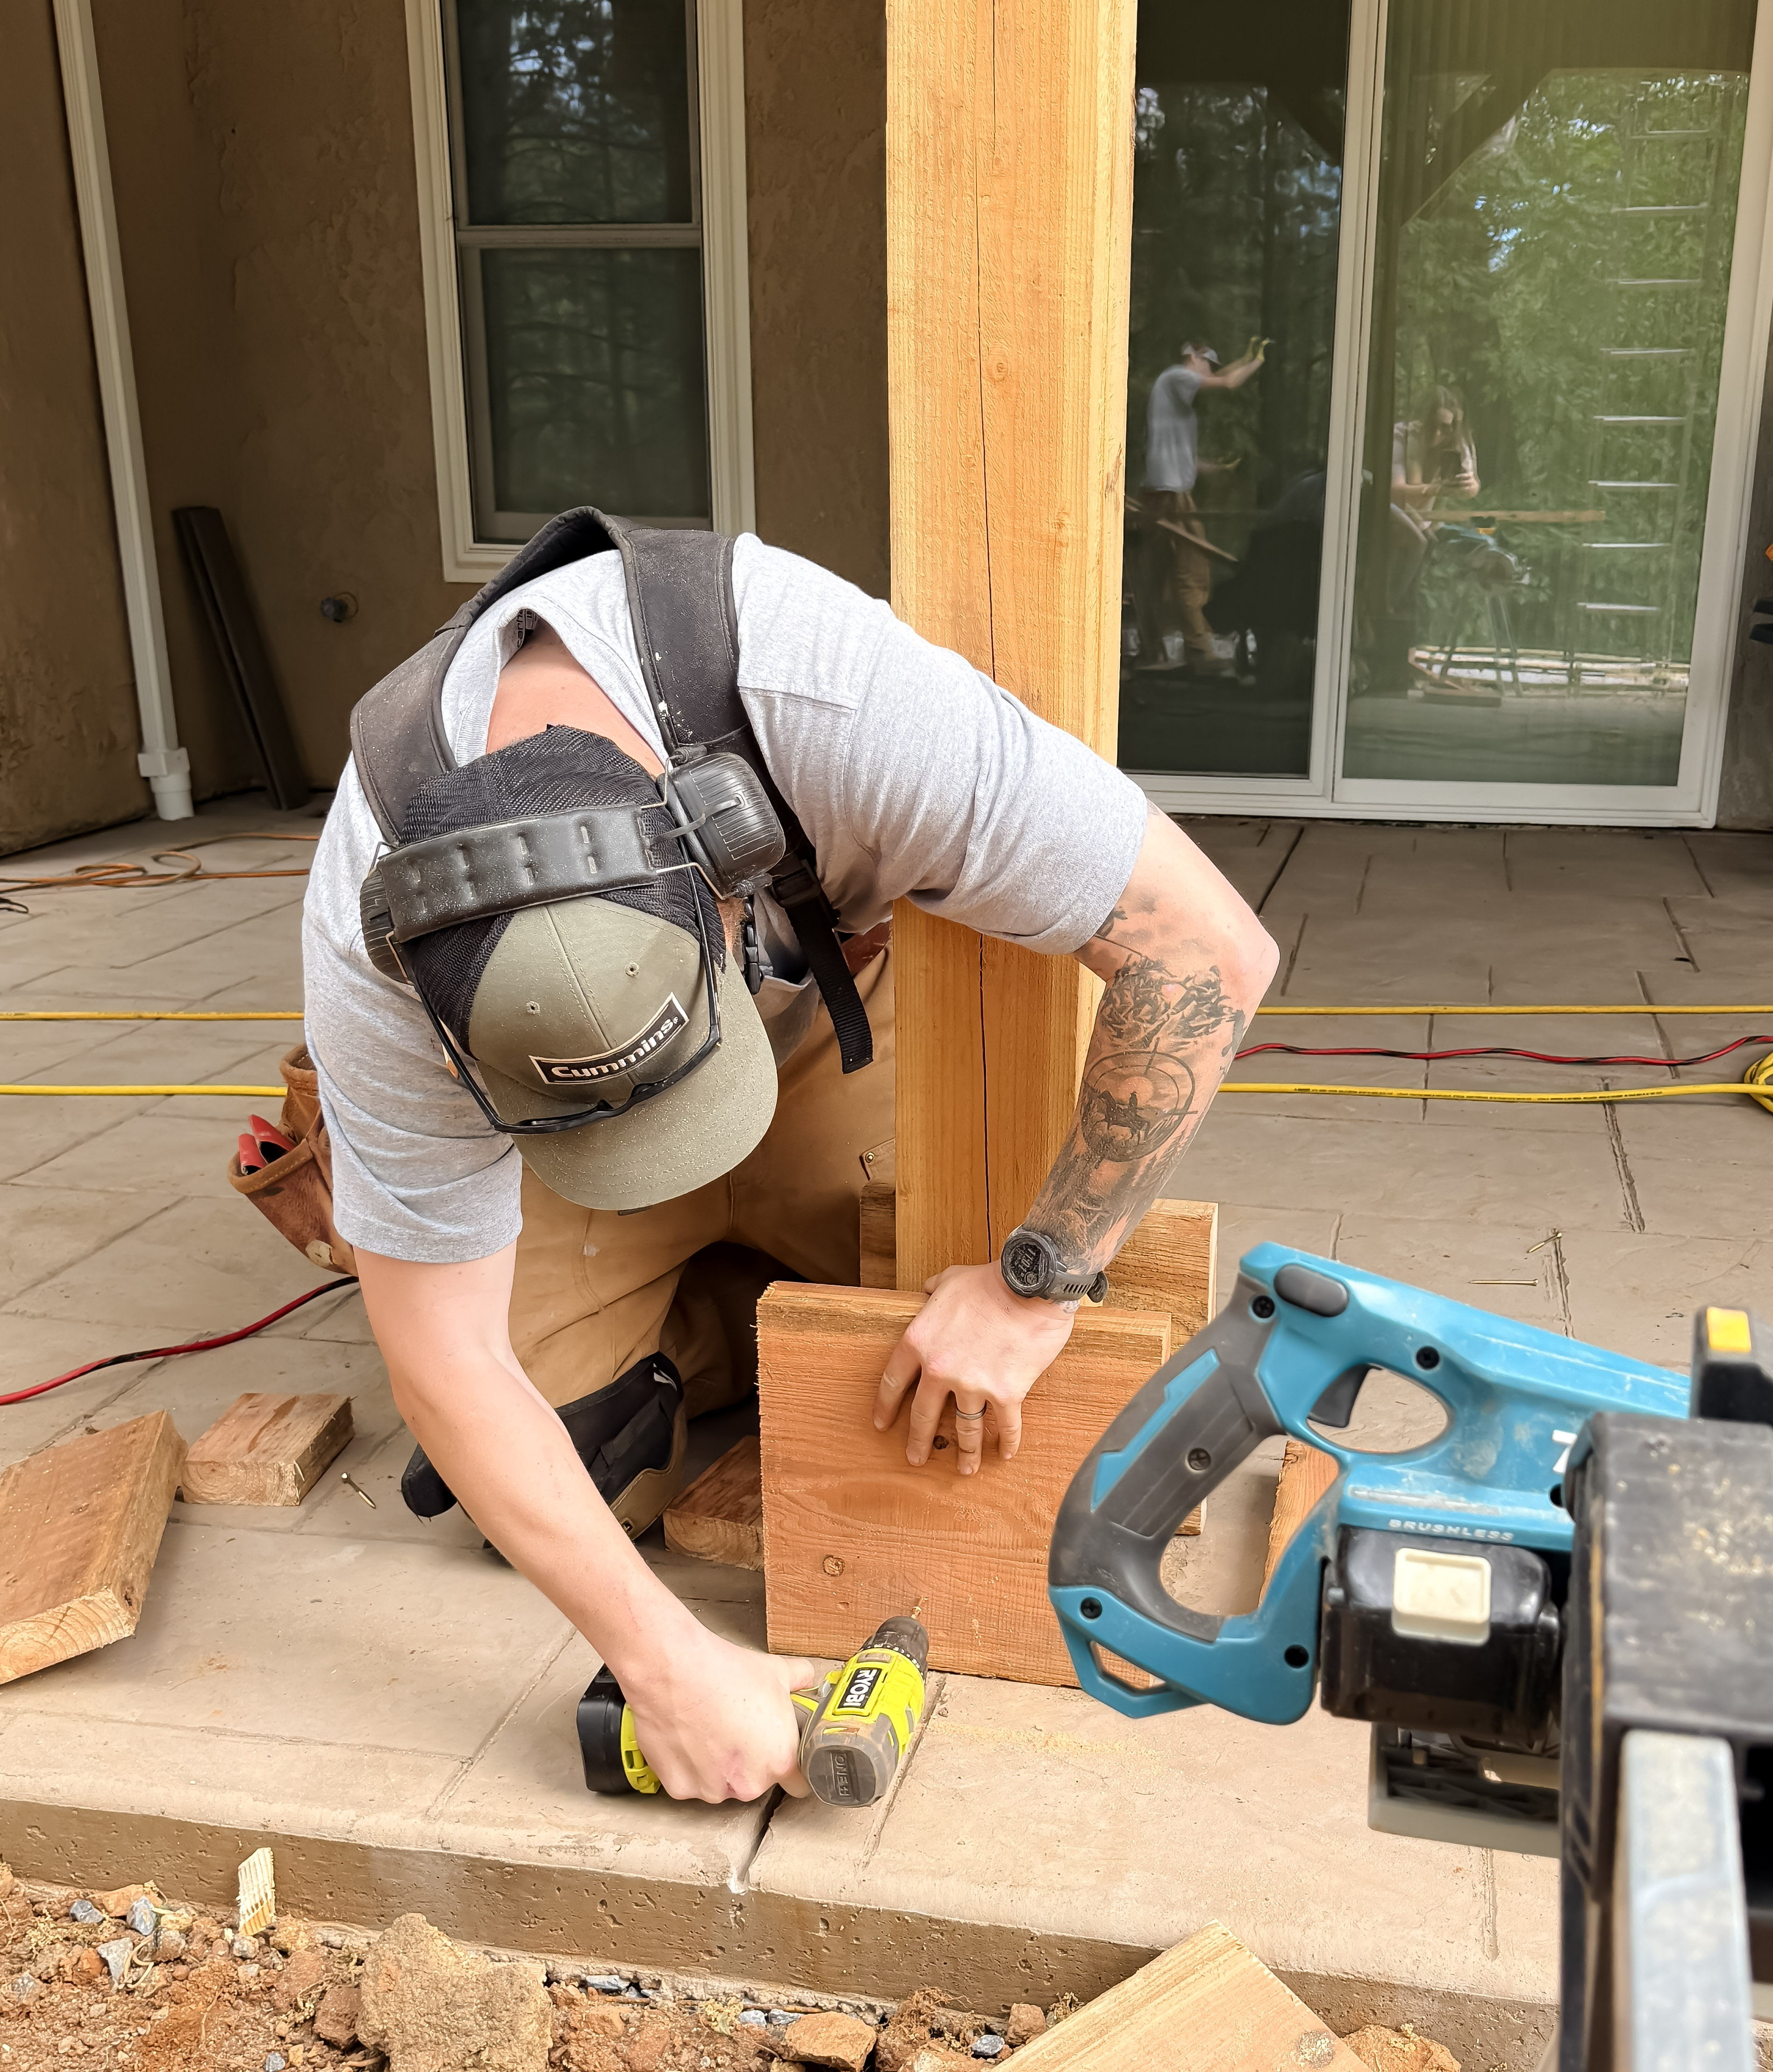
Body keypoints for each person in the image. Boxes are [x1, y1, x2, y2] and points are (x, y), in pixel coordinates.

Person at [302, 524, 1277, 1808]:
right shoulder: (370, 944)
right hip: (557, 1113)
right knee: (547, 1478)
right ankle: (733, 1316)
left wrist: (1036, 1285)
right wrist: (664, 1664)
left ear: (722, 863)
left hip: (817, 1020)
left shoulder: (835, 701)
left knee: (983, 1371)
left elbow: (1210, 954)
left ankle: (775, 1264)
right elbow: (443, 1360)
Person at [1136, 337, 1267, 673]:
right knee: (1192, 571)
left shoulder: (1173, 397)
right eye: (1207, 363)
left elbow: (1187, 458)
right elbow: (1228, 383)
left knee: (1155, 574)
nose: (1209, 372)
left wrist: (1217, 469)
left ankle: (1155, 651)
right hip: (1171, 494)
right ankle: (1199, 651)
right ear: (1193, 357)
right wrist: (1257, 362)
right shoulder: (1177, 377)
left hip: (1163, 490)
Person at [1384, 384, 1481, 694]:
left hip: (1426, 521)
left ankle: (1402, 660)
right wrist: (1436, 489)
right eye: (1434, 426)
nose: (1439, 435)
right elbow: (1396, 491)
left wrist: (1467, 484)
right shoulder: (1403, 436)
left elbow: (1473, 485)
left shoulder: (1457, 443)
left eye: (1446, 428)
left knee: (1415, 594)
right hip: (1389, 519)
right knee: (1415, 549)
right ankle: (1386, 621)